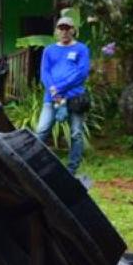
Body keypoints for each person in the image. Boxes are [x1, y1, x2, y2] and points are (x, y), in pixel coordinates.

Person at [35, 15, 91, 176]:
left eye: (67, 28)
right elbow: (44, 73)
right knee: (41, 130)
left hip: (75, 98)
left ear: (73, 30)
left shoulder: (81, 49)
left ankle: (72, 169)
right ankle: (36, 166)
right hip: (51, 98)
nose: (64, 31)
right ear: (56, 31)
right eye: (61, 28)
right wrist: (53, 90)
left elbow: (82, 73)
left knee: (76, 133)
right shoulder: (49, 50)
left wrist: (58, 88)